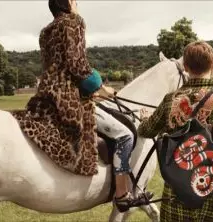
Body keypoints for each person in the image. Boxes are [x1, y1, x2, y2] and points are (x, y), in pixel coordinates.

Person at [12, 0, 152, 209]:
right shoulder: (73, 21)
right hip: (69, 100)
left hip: (47, 98)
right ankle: (122, 194)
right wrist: (102, 88)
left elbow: (62, 67)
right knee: (125, 135)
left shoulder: (45, 31)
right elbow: (78, 65)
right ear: (68, 2)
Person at [137, 41, 213, 221]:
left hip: (178, 196)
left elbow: (145, 130)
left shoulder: (171, 99)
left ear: (185, 67)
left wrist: (146, 117)